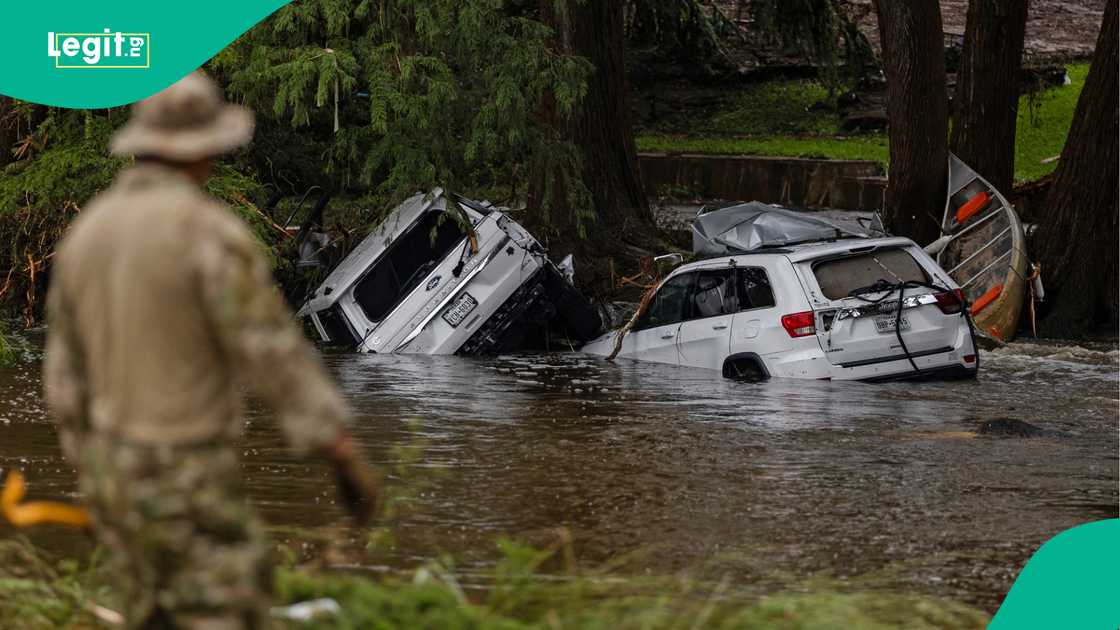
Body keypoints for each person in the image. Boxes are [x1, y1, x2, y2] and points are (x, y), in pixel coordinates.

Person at [42, 71, 380, 629]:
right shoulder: (206, 232)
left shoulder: (87, 235)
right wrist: (337, 445)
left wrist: (93, 463)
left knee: (150, 613)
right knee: (225, 611)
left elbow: (62, 378)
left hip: (108, 470)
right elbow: (270, 351)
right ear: (202, 152)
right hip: (186, 469)